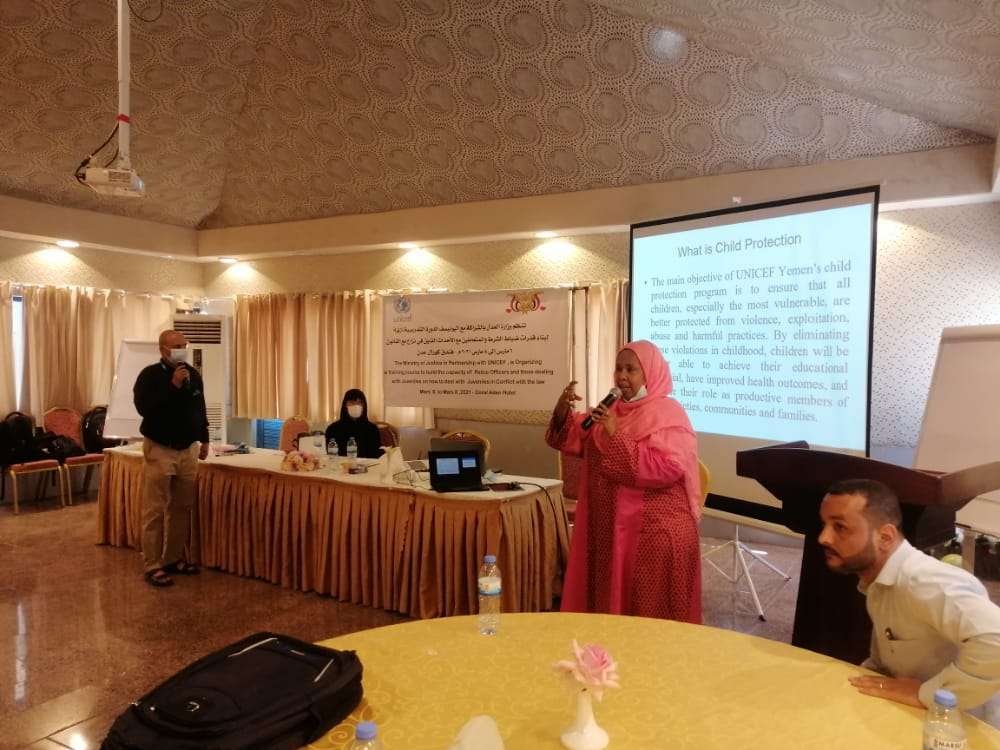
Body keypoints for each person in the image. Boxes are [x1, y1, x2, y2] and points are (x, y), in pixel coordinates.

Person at [819, 478, 1000, 726]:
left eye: (840, 527)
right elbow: (886, 663)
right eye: (825, 525)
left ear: (885, 537)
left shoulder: (924, 581)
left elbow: (995, 639)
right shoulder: (879, 583)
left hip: (963, 728)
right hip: (921, 716)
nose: (823, 538)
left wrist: (926, 694)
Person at [546, 340, 702, 622]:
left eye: (631, 370)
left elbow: (666, 469)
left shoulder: (668, 414)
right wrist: (561, 413)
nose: (622, 377)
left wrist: (615, 434)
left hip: (652, 528)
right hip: (609, 525)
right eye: (618, 369)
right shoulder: (611, 409)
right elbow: (575, 438)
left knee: (645, 611)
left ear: (649, 374)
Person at [133, 330, 210, 587]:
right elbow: (145, 409)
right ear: (162, 349)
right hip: (160, 448)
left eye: (184, 345)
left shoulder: (193, 374)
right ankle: (152, 565)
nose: (182, 349)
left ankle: (172, 558)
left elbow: (199, 408)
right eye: (176, 345)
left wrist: (204, 438)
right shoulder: (150, 375)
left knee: (181, 507)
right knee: (154, 509)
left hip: (187, 449)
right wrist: (173, 386)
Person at [325, 388, 383, 459]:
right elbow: (331, 455)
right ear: (345, 405)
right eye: (352, 402)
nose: (356, 405)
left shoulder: (372, 429)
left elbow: (376, 455)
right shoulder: (333, 429)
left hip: (367, 465)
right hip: (341, 465)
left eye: (359, 402)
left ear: (364, 405)